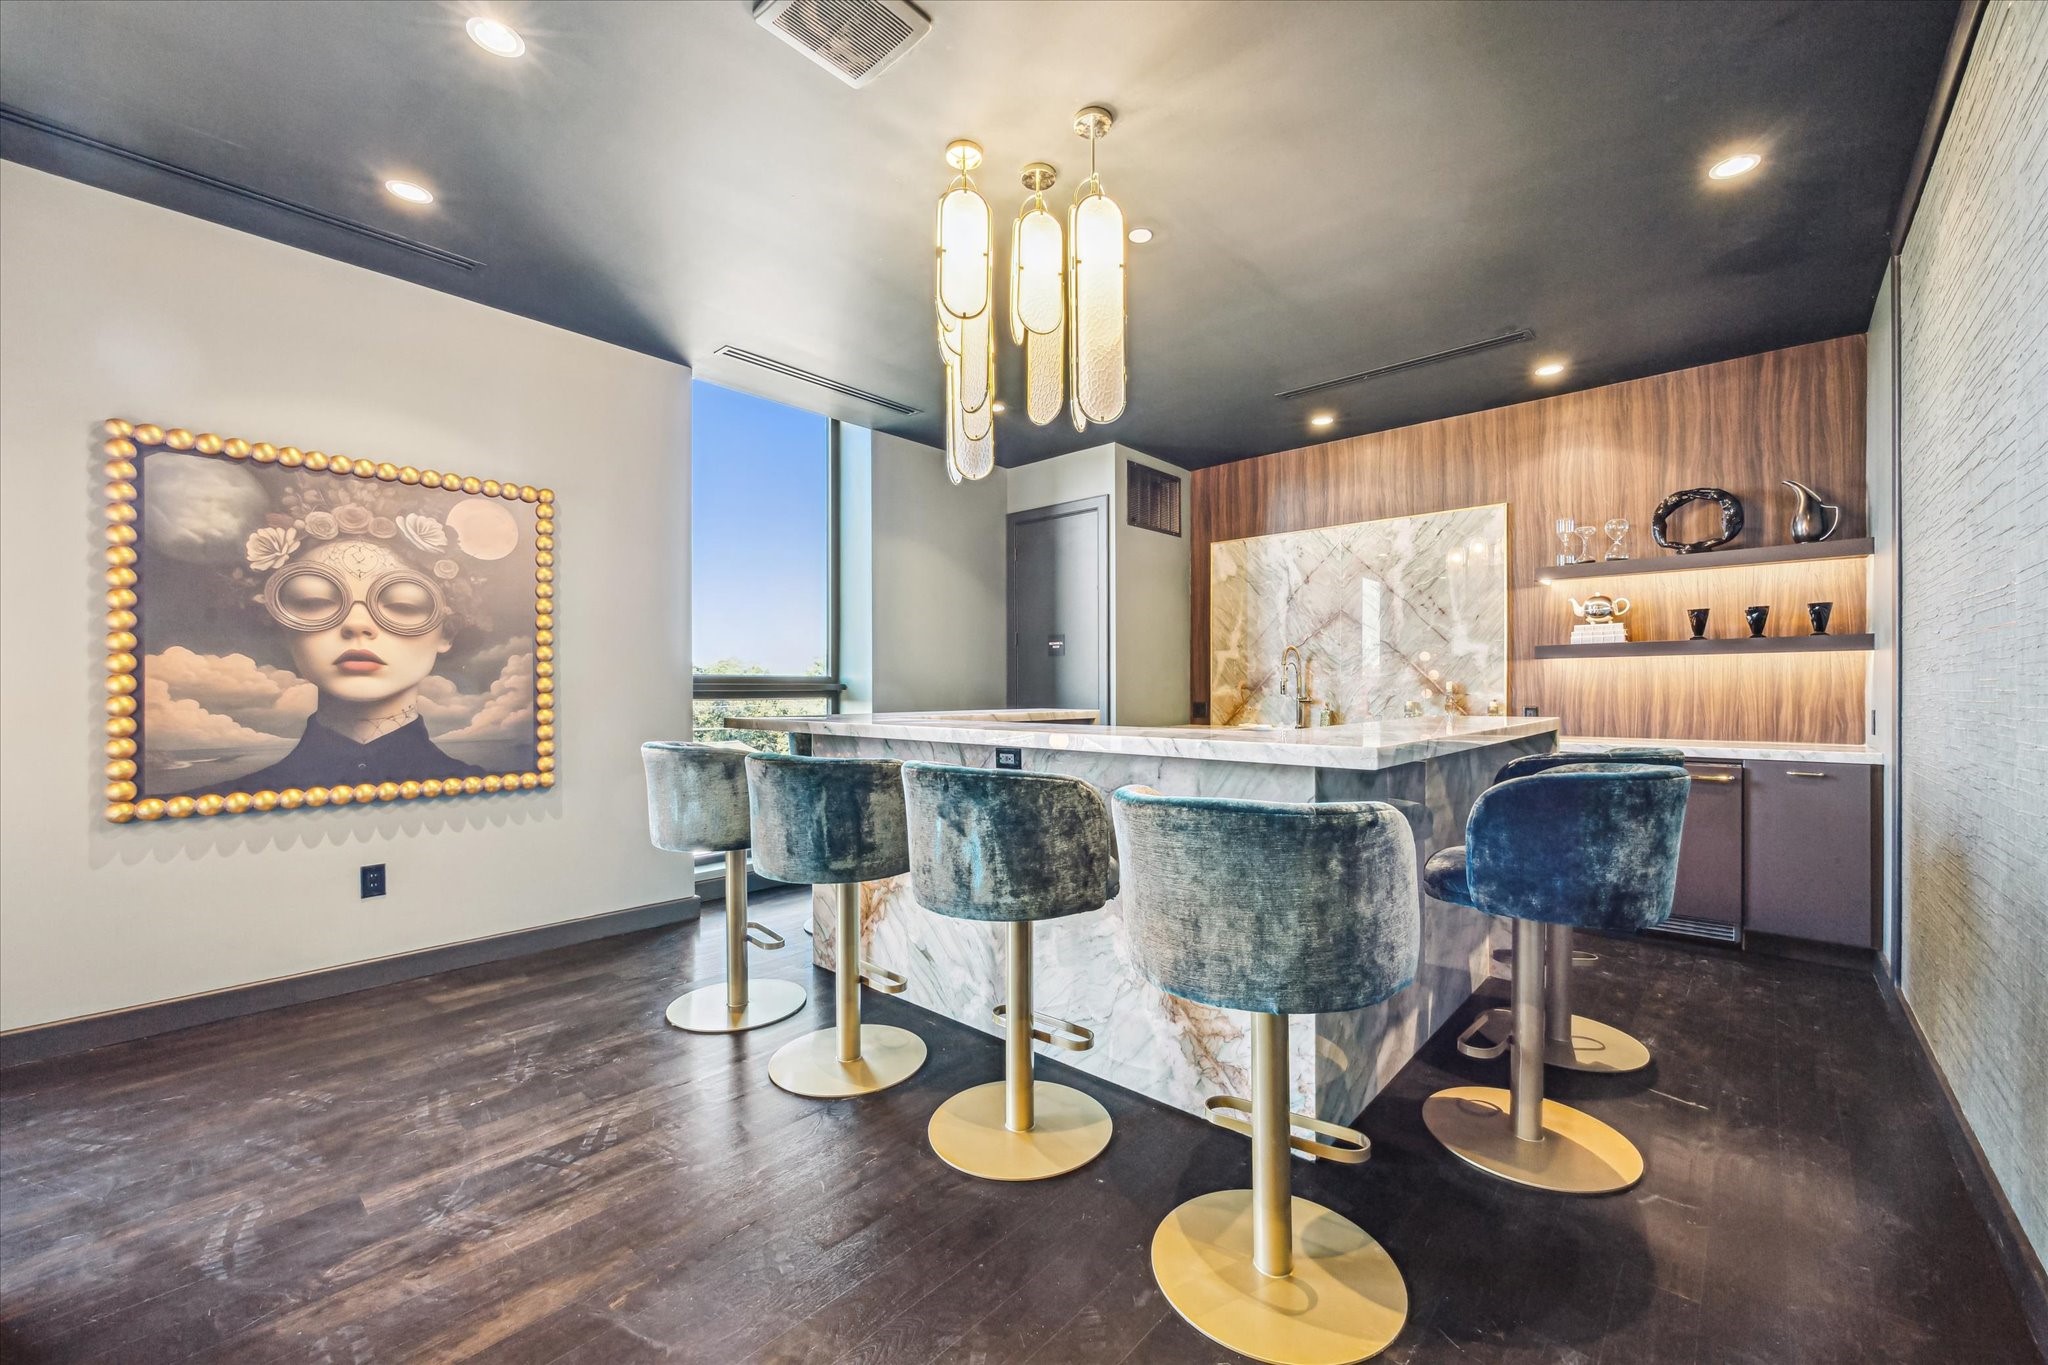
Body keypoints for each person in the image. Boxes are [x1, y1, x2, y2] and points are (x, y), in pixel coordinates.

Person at [234, 515, 489, 791]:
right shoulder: (229, 799)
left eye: (403, 605)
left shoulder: (491, 793)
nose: (357, 624)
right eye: (313, 601)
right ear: (283, 626)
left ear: (447, 632)